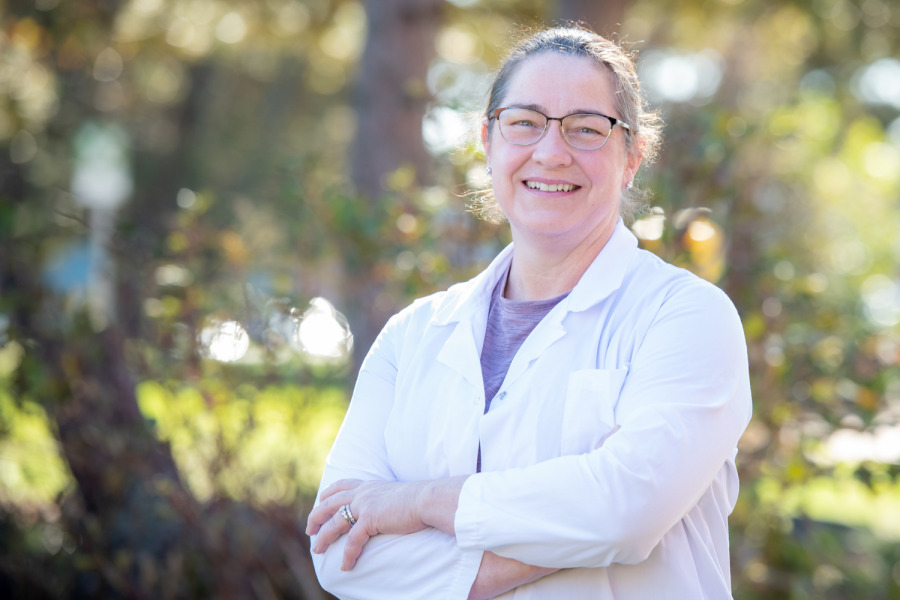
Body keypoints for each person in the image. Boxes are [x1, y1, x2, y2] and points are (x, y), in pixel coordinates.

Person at [306, 25, 752, 600]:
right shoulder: (412, 335)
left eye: (587, 129)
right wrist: (574, 536)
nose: (551, 152)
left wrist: (418, 502)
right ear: (487, 139)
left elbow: (625, 513)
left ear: (632, 155)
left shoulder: (687, 317)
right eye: (525, 122)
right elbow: (337, 550)